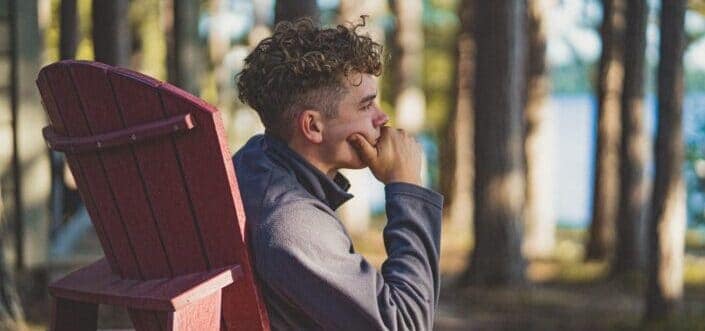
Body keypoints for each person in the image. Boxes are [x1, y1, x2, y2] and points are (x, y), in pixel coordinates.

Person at [233, 17, 443, 331]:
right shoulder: (292, 221)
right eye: (366, 106)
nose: (382, 117)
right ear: (313, 126)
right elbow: (405, 324)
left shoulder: (253, 161)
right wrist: (407, 187)